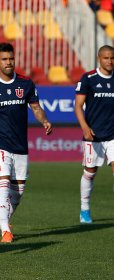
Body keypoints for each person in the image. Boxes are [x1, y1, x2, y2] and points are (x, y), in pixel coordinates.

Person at [0, 42, 52, 243]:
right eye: (4, 59)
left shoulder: (26, 84)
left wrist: (44, 121)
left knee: (18, 192)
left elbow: (36, 107)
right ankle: (6, 230)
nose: (8, 62)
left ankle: (3, 219)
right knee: (3, 185)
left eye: (11, 58)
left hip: (20, 146)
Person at [74, 45, 114, 224]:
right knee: (90, 172)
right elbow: (78, 106)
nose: (110, 61)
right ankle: (84, 209)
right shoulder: (88, 78)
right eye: (106, 58)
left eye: (112, 58)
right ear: (99, 59)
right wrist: (84, 127)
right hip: (94, 134)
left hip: (112, 134)